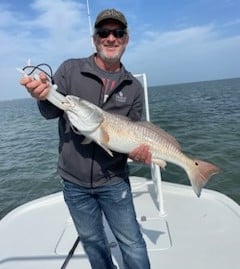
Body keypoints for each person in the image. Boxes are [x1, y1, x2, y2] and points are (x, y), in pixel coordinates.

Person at [20, 8, 151, 269]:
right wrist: (42, 95)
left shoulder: (133, 87)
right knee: (92, 242)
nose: (111, 38)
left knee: (133, 243)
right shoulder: (71, 69)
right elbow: (51, 111)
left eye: (118, 33)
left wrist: (140, 153)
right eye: (104, 32)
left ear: (126, 39)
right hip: (73, 183)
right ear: (94, 39)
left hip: (114, 181)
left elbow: (133, 132)